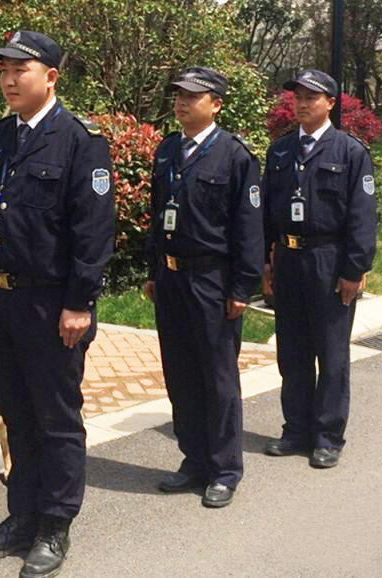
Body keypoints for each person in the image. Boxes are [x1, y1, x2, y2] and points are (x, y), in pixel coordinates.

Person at [0, 30, 114, 578]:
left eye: (19, 70)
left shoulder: (79, 141)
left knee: (55, 418)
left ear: (50, 77)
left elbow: (93, 231)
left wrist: (80, 303)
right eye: (2, 70)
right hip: (2, 302)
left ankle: (55, 523)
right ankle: (22, 515)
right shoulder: (0, 137)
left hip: (52, 306)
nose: (8, 80)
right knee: (16, 413)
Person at [143, 67, 263, 508]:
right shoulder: (168, 149)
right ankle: (193, 460)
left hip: (212, 280)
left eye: (192, 96)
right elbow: (157, 215)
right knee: (180, 373)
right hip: (171, 277)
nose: (182, 102)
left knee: (217, 378)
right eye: (178, 95)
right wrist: (153, 270)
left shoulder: (235, 156)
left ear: (216, 105)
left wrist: (242, 288)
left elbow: (249, 228)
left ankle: (224, 469)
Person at [261, 69, 376, 468]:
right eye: (298, 97)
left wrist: (354, 269)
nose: (303, 103)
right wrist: (265, 261)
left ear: (330, 103)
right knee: (292, 351)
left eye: (312, 97)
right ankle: (296, 429)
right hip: (289, 260)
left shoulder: (350, 152)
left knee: (331, 353)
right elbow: (266, 211)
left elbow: (362, 217)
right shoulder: (280, 151)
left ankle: (328, 436)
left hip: (329, 262)